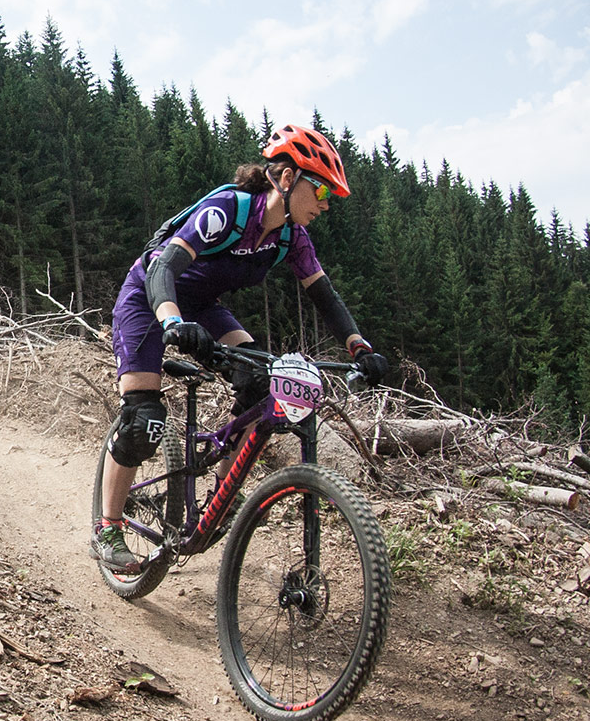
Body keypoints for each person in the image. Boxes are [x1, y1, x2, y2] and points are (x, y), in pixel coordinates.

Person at [91, 124, 388, 574]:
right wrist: (172, 321)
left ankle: (221, 494)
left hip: (201, 307)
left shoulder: (290, 236)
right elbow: (164, 268)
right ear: (286, 179)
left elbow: (324, 295)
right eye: (321, 189)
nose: (326, 203)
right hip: (149, 296)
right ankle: (108, 526)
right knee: (145, 419)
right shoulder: (227, 211)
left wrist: (359, 347)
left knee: (263, 385)